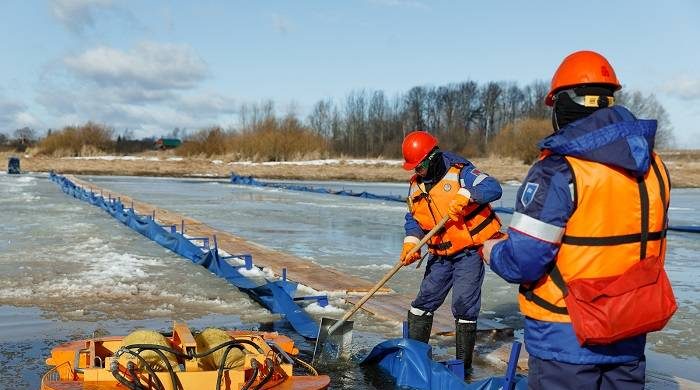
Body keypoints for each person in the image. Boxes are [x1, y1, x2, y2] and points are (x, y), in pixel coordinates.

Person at [482, 50, 672, 389]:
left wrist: (492, 250)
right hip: (629, 322)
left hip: (566, 332)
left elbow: (523, 261)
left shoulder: (557, 170)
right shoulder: (654, 166)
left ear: (563, 105)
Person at [400, 130, 503, 378]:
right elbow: (414, 219)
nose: (419, 171)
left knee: (464, 305)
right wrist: (411, 242)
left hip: (467, 253)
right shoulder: (416, 186)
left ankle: (463, 368)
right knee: (422, 303)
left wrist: (467, 194)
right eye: (416, 168)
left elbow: (493, 187)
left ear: (433, 157)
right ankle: (416, 359)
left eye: (421, 166)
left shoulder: (461, 172)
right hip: (439, 255)